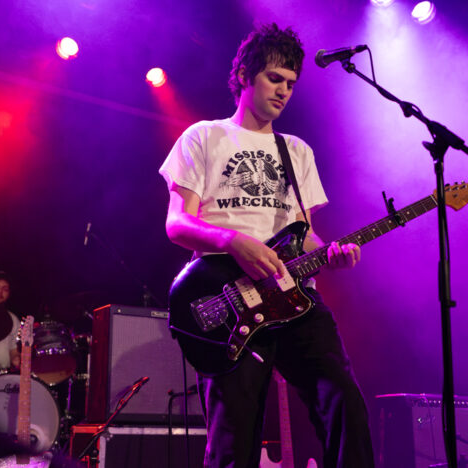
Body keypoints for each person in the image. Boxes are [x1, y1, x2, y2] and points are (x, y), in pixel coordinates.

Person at [159, 23, 375, 468]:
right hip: (229, 297)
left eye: (291, 84)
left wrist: (330, 253)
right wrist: (234, 241)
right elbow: (177, 224)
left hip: (295, 296)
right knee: (235, 436)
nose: (284, 91)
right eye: (275, 78)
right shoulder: (204, 136)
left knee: (345, 403)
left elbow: (305, 233)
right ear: (244, 75)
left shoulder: (297, 150)